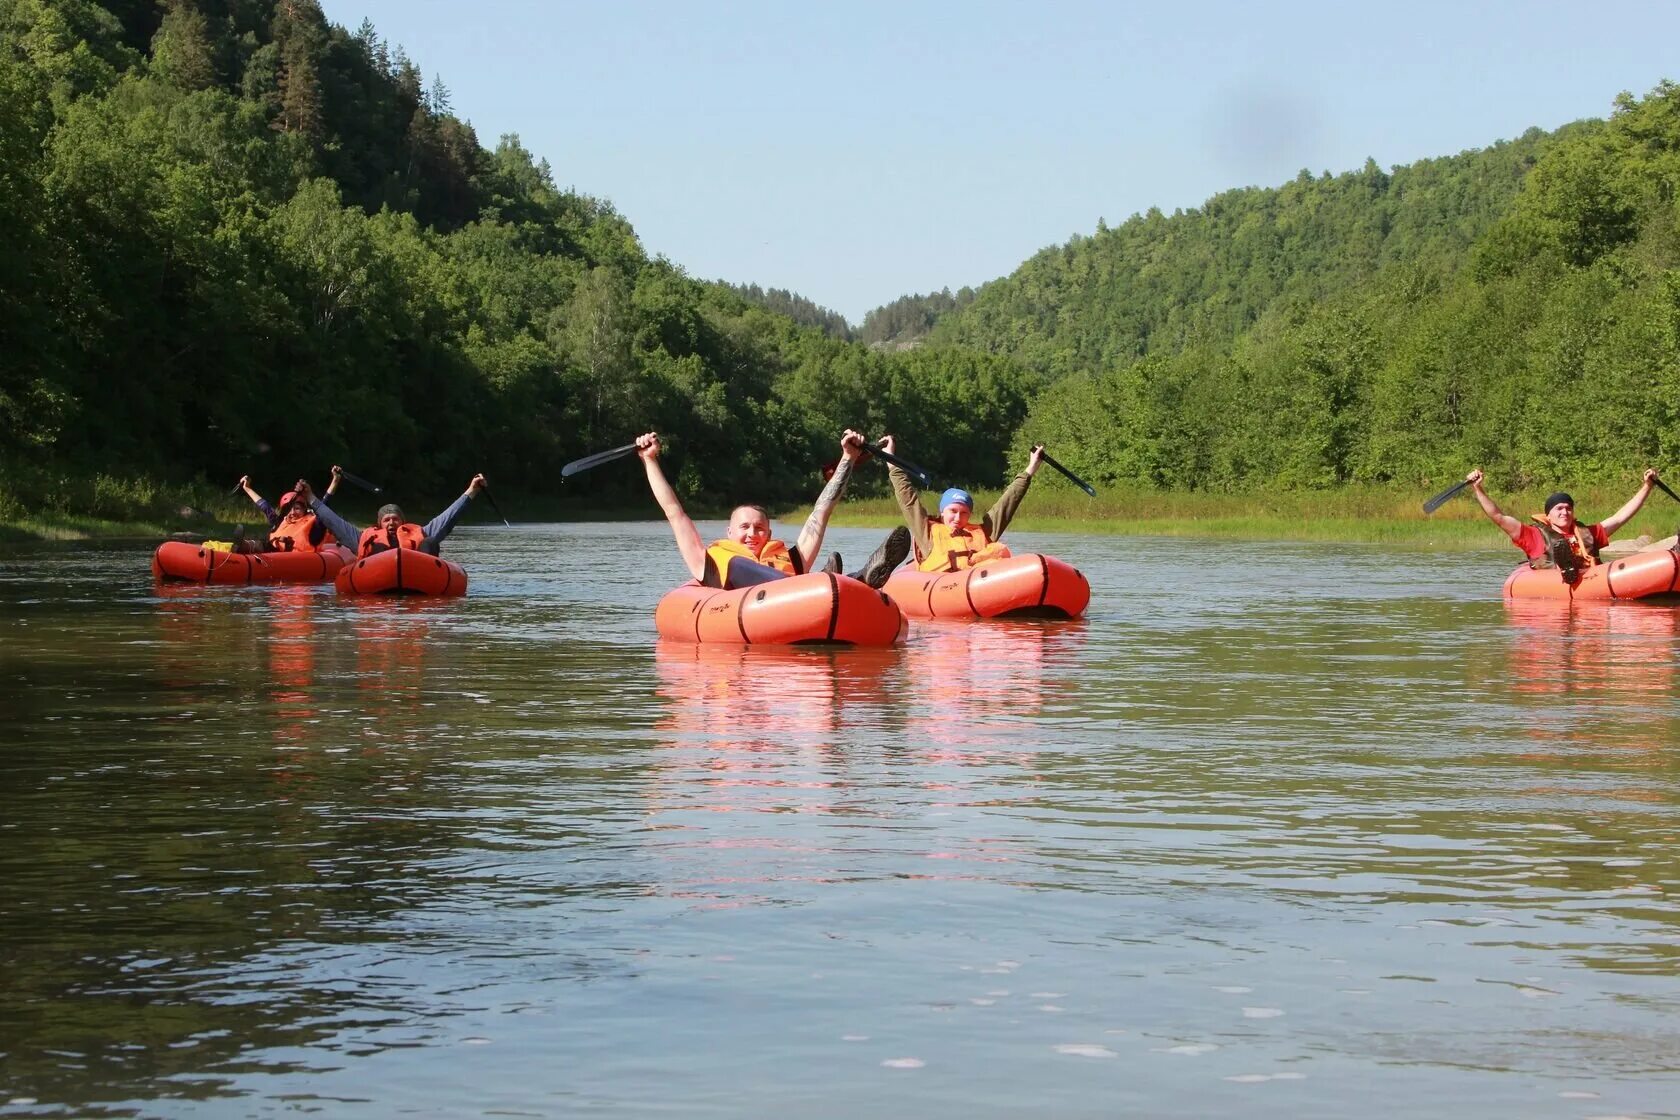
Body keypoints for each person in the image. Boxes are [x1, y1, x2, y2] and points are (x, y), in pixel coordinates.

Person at [636, 429, 910, 589]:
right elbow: (675, 512)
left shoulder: (791, 559)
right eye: (744, 527)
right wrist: (650, 461)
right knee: (739, 566)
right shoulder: (708, 563)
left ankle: (849, 581)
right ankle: (837, 580)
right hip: (770, 598)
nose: (752, 533)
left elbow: (821, 511)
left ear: (769, 532)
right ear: (729, 532)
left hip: (798, 599)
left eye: (759, 528)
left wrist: (847, 458)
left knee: (816, 583)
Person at [882, 435, 1045, 572]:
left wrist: (1030, 469)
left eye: (964, 512)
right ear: (942, 511)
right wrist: (890, 460)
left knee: (998, 552)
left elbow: (1008, 502)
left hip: (979, 586)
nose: (958, 517)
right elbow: (907, 498)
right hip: (942, 588)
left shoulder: (984, 532)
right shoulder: (927, 531)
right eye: (953, 510)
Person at [1466, 468, 1661, 581]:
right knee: (1561, 560)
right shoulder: (1532, 535)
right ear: (1548, 515)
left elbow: (1620, 517)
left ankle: (1573, 567)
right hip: (1554, 582)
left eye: (1568, 508)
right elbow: (1498, 516)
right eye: (1558, 508)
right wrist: (1478, 488)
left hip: (1592, 580)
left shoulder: (1588, 533)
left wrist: (1647, 486)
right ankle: (1565, 567)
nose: (1564, 512)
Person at [292, 473, 488, 558]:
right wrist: (310, 497)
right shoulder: (363, 538)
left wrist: (471, 491)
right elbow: (332, 520)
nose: (392, 522)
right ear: (379, 524)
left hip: (418, 571)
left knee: (430, 543)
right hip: (377, 571)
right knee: (376, 546)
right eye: (387, 519)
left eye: (395, 519)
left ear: (403, 522)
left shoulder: (420, 532)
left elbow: (449, 516)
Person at [236, 468, 343, 552]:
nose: (292, 513)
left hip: (296, 561)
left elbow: (324, 506)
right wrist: (247, 488)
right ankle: (242, 547)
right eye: (289, 510)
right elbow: (265, 507)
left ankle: (246, 546)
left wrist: (335, 480)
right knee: (265, 544)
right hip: (273, 554)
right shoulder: (282, 522)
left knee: (263, 546)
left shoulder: (314, 527)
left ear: (305, 509)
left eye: (297, 509)